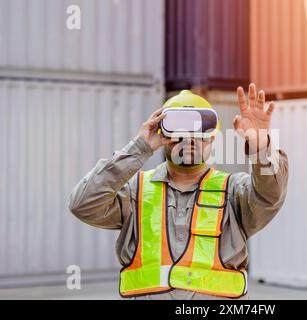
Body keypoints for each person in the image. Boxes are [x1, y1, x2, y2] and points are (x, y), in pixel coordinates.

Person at [68, 84, 289, 299]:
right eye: (179, 129)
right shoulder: (135, 192)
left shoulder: (234, 191)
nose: (190, 138)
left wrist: (261, 147)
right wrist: (140, 147)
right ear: (163, 132)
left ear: (213, 137)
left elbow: (269, 196)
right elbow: (83, 204)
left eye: (201, 130)